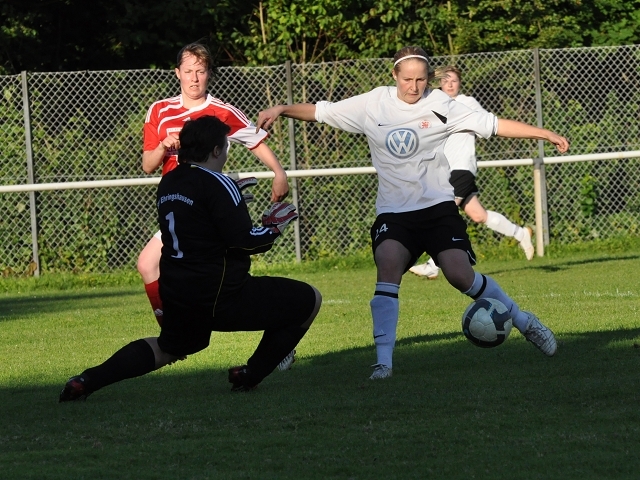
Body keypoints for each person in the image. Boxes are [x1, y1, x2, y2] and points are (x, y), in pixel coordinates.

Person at [256, 46, 568, 380]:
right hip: (394, 212)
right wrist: (283, 108)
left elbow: (494, 124)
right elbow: (322, 111)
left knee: (460, 275)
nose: (414, 86)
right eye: (407, 79)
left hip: (437, 209)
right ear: (395, 76)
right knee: (387, 267)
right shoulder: (373, 103)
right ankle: (384, 364)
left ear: (428, 79)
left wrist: (545, 133)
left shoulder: (441, 104)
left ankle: (524, 322)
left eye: (420, 79)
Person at [59, 115, 322, 402]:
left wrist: (232, 204)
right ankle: (250, 375)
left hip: (179, 292)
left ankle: (86, 381)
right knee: (308, 300)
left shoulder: (170, 181)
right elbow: (245, 243)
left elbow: (200, 223)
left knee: (168, 347)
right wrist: (273, 228)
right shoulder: (219, 183)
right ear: (216, 151)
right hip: (221, 296)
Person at [139, 42, 289, 328]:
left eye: (201, 71)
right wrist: (162, 145)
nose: (194, 78)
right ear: (177, 73)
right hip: (178, 204)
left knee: (223, 283)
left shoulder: (222, 111)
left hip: (206, 206)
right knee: (150, 265)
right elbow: (148, 164)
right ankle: (174, 332)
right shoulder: (159, 111)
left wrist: (278, 172)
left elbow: (254, 141)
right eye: (188, 71)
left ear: (209, 73)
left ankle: (176, 334)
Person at [410, 65, 534, 280]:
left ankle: (432, 265)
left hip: (462, 168)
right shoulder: (436, 103)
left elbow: (487, 123)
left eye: (454, 80)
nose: (449, 83)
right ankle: (520, 233)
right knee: (478, 215)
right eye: (446, 80)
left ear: (460, 84)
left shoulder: (467, 103)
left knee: (442, 214)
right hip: (445, 170)